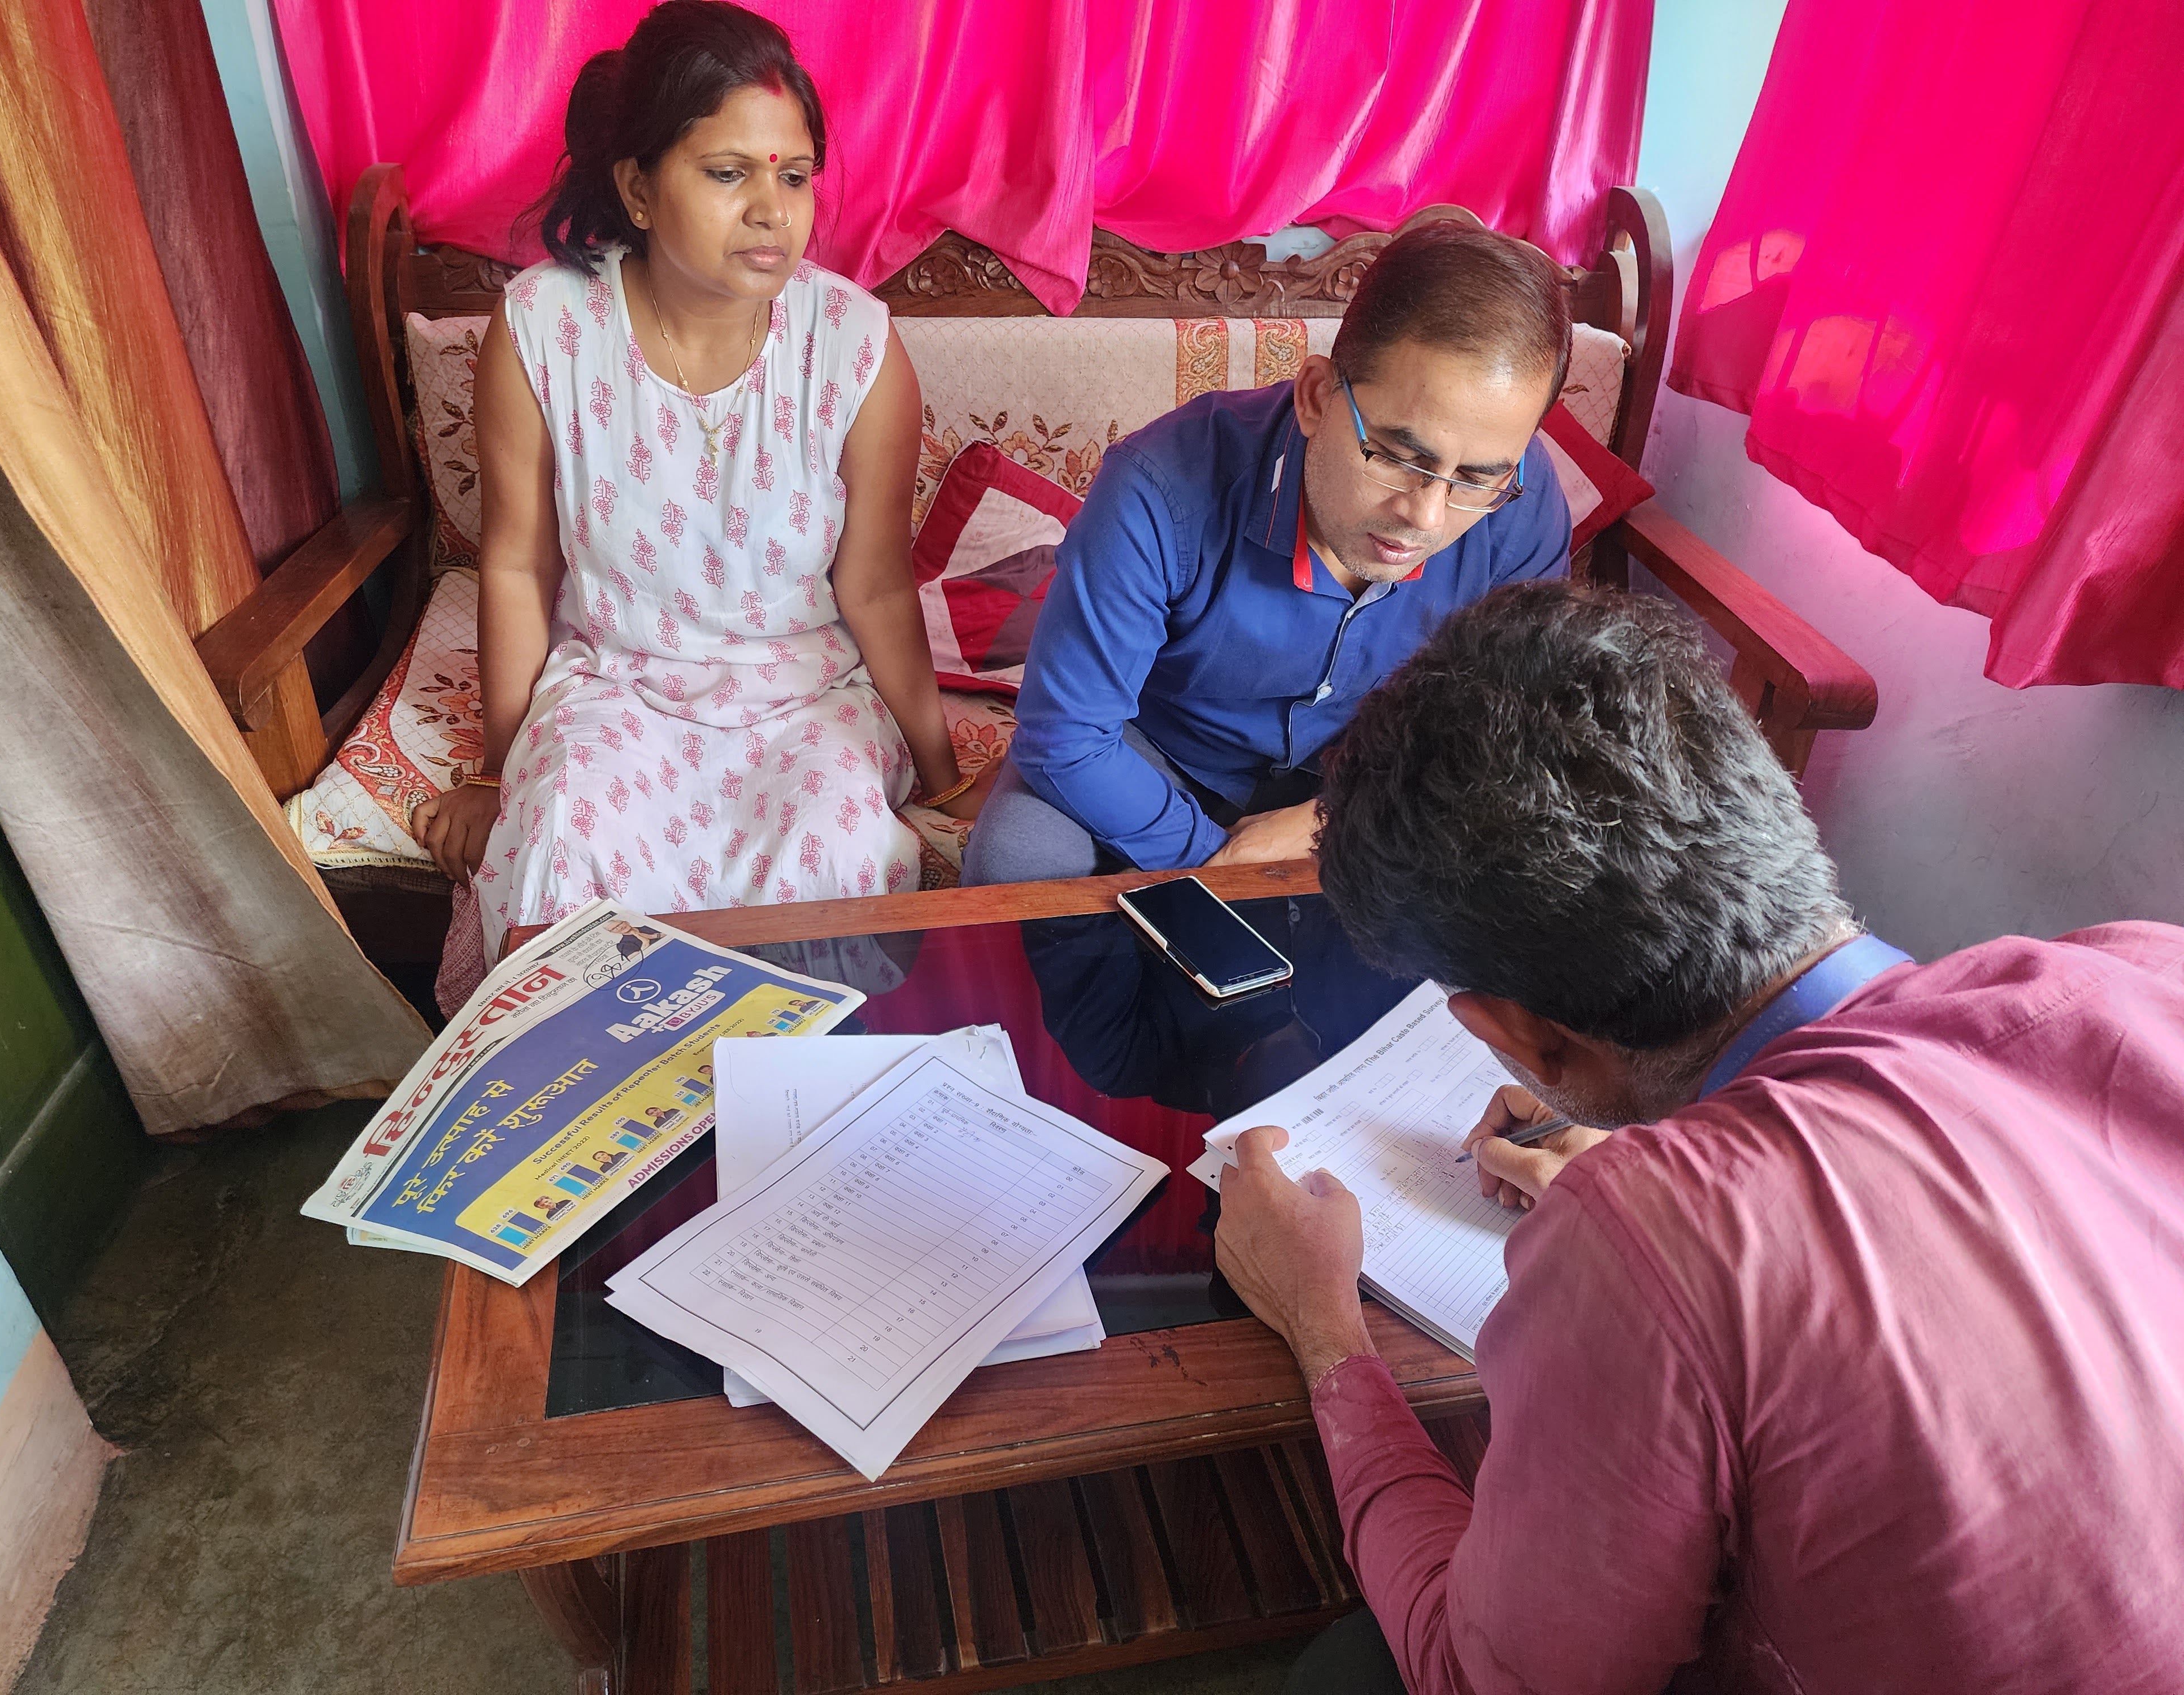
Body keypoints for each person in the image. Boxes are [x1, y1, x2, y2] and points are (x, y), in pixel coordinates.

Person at [1215, 581, 2184, 1694]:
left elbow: (1483, 1679)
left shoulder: (1653, 1234)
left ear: (1515, 1034)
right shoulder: (2136, 972)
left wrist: (1321, 1323)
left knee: (1351, 1669)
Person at [411, 2, 982, 962]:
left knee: (833, 858)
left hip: (803, 696)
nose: (774, 210)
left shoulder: (855, 347)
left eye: (794, 176)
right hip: (614, 688)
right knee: (561, 849)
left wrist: (941, 772)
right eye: (728, 174)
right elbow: (516, 565)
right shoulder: (545, 329)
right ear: (637, 188)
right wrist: (496, 775)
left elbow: (877, 584)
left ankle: (795, 1111)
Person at [961, 224, 1573, 885]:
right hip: (1155, 753)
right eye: (1398, 456)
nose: (1425, 516)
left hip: (1375, 776)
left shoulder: (1521, 500)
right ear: (1315, 398)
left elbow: (1504, 731)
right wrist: (1218, 862)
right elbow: (1069, 737)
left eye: (1475, 479)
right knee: (1017, 858)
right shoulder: (1159, 485)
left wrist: (1330, 818)